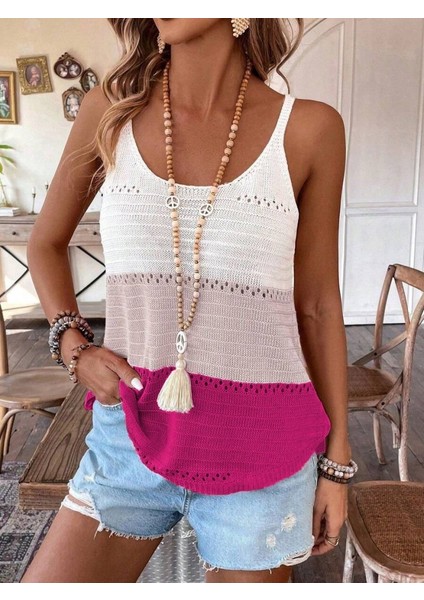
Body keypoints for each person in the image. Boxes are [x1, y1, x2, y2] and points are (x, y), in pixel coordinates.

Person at [23, 18, 352, 583]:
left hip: (264, 451)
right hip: (131, 432)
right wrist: (73, 348)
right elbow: (45, 244)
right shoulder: (110, 111)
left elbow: (317, 306)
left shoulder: (309, 129)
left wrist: (337, 465)